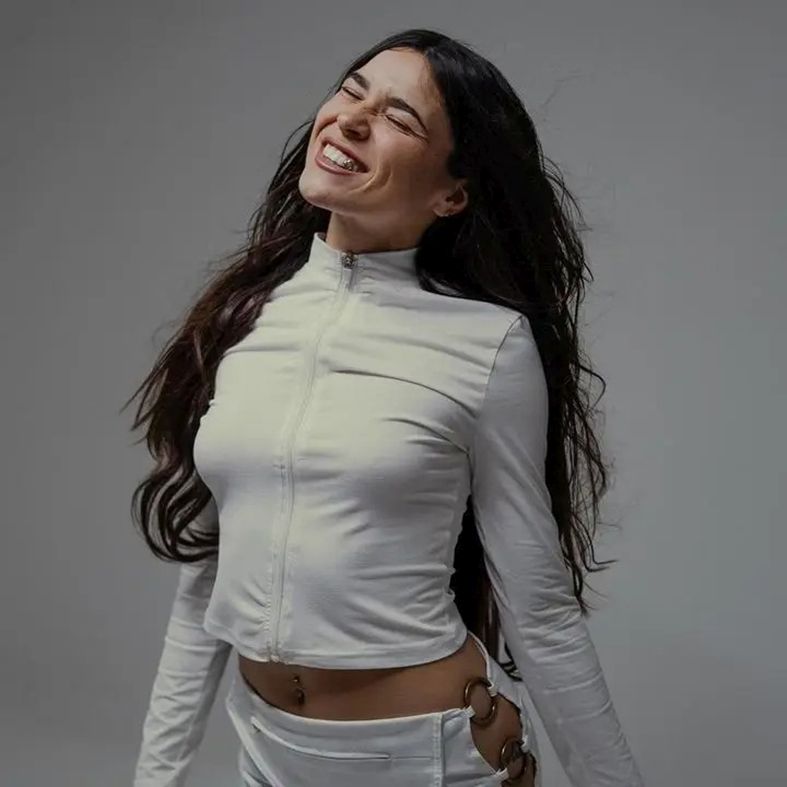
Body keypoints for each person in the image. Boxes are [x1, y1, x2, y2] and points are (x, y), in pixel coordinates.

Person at [126, 28, 646, 787]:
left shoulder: (488, 344)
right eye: (351, 90)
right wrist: (155, 776)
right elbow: (210, 579)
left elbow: (538, 609)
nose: (351, 118)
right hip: (268, 751)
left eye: (399, 118)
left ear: (451, 193)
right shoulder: (246, 318)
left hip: (427, 758)